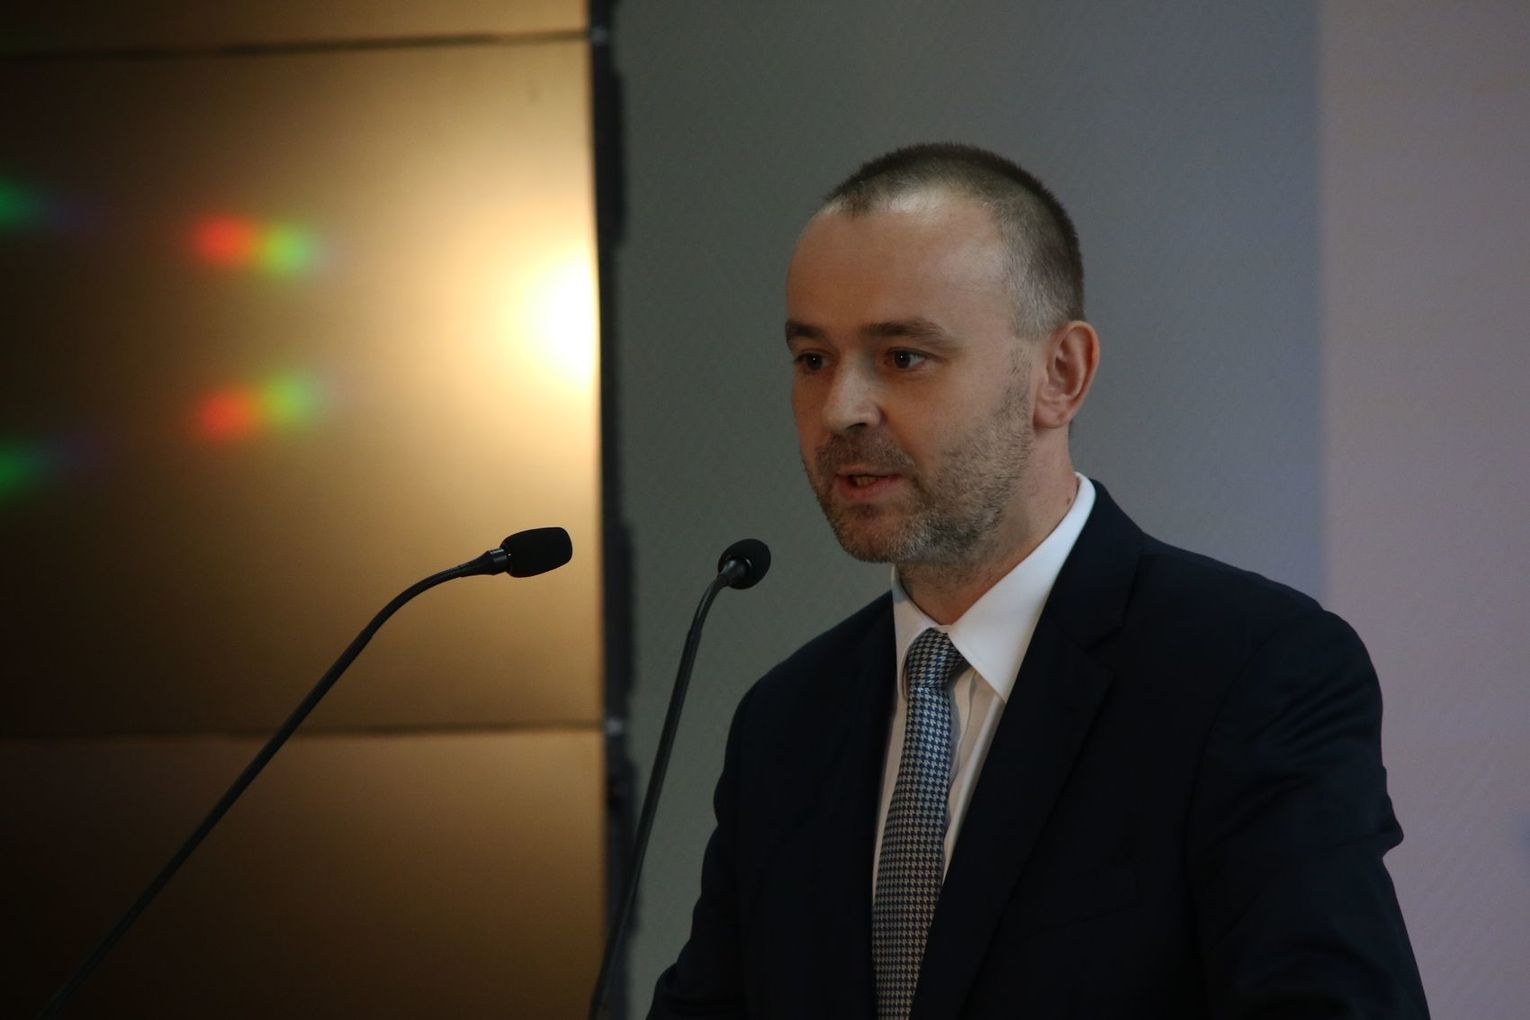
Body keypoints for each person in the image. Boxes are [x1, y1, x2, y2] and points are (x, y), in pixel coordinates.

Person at [649, 144, 1428, 1018]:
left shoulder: (1250, 673)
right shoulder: (786, 722)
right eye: (812, 360)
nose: (841, 410)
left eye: (903, 357)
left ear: (1061, 376)